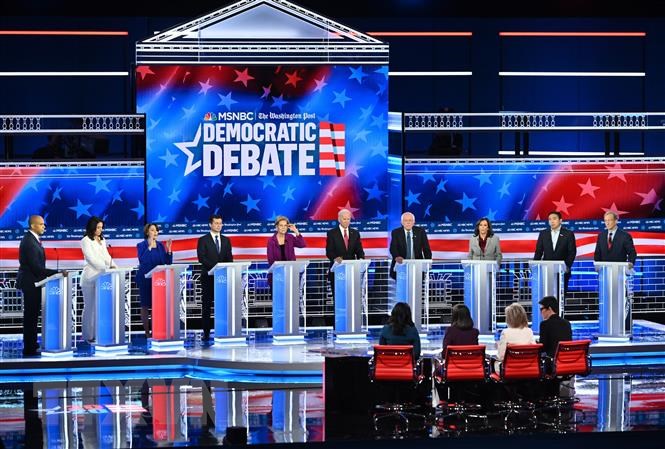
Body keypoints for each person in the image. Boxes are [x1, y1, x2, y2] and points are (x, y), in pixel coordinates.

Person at [16, 215, 58, 357]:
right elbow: (36, 267)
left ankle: (32, 344)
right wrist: (57, 272)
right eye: (41, 224)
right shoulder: (29, 241)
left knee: (32, 316)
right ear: (33, 225)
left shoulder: (33, 240)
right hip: (30, 283)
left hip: (34, 282)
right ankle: (29, 348)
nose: (44, 226)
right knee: (31, 316)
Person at [197, 214, 233, 341]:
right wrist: (216, 268)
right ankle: (206, 332)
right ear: (210, 224)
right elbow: (202, 258)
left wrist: (226, 269)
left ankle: (223, 330)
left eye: (220, 223)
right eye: (216, 223)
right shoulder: (203, 240)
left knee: (223, 304)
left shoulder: (226, 240)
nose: (219, 225)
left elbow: (229, 258)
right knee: (207, 305)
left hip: (222, 279)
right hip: (208, 277)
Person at [80, 216, 116, 343]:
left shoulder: (102, 240)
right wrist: (105, 268)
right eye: (98, 227)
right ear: (92, 227)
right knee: (90, 307)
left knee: (99, 307)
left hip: (102, 276)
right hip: (90, 277)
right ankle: (88, 336)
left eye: (101, 227)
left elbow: (106, 256)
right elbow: (91, 258)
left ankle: (97, 334)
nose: (100, 230)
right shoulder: (85, 240)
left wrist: (114, 266)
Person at [135, 223, 173, 339]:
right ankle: (147, 332)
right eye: (152, 230)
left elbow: (167, 262)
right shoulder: (141, 245)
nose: (155, 232)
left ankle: (156, 330)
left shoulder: (161, 246)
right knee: (145, 305)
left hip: (158, 279)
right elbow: (142, 260)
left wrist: (169, 250)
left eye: (156, 230)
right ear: (147, 232)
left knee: (157, 305)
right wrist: (150, 247)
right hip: (145, 278)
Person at [533, 211, 577, 296]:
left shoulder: (568, 234)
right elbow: (539, 251)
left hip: (562, 271)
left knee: (561, 296)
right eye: (550, 219)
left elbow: (572, 252)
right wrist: (535, 267)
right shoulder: (543, 234)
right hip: (546, 271)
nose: (552, 221)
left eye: (554, 219)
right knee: (546, 296)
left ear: (560, 220)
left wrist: (567, 266)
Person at [325, 209, 364, 297]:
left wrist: (361, 258)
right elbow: (329, 251)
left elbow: (359, 250)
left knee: (351, 295)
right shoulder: (332, 233)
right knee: (338, 296)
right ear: (339, 219)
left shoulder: (355, 233)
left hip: (352, 269)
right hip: (337, 269)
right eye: (344, 219)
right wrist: (335, 258)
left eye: (348, 219)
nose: (346, 221)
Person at [389, 212, 432, 280]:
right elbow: (393, 248)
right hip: (401, 265)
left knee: (417, 283)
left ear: (414, 222)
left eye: (410, 220)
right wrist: (396, 256)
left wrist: (428, 262)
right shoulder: (396, 232)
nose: (408, 223)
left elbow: (426, 248)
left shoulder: (420, 231)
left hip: (417, 265)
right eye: (405, 220)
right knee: (402, 284)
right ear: (402, 222)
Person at [266, 215, 306, 289]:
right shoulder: (271, 241)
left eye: (285, 225)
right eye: (281, 225)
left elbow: (302, 244)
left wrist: (296, 231)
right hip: (277, 274)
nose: (283, 227)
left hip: (290, 273)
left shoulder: (290, 237)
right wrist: (280, 271)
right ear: (276, 227)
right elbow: (270, 259)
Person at [495, 303, 534, 372]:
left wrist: (498, 346)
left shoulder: (505, 332)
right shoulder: (529, 331)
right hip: (527, 368)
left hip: (510, 370)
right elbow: (533, 353)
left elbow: (501, 356)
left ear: (509, 318)